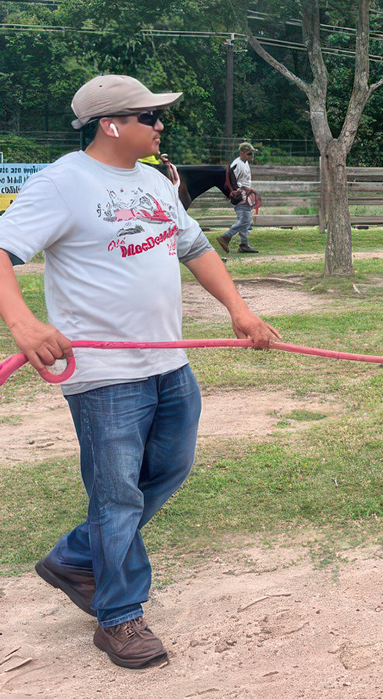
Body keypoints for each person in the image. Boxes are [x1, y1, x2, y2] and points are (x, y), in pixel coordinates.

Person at [0, 74, 281, 669]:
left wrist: (240, 310)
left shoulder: (155, 181)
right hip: (103, 375)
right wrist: (25, 326)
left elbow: (197, 249)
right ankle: (119, 618)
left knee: (169, 470)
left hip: (169, 361)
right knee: (117, 495)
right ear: (111, 123)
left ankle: (77, 555)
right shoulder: (61, 184)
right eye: (150, 117)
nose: (160, 126)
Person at [217, 142, 259, 254]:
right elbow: (231, 181)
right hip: (241, 195)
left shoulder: (244, 162)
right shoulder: (237, 164)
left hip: (246, 194)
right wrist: (235, 192)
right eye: (249, 154)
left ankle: (244, 244)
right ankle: (226, 237)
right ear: (242, 153)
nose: (251, 156)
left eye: (252, 153)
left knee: (246, 220)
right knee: (245, 221)